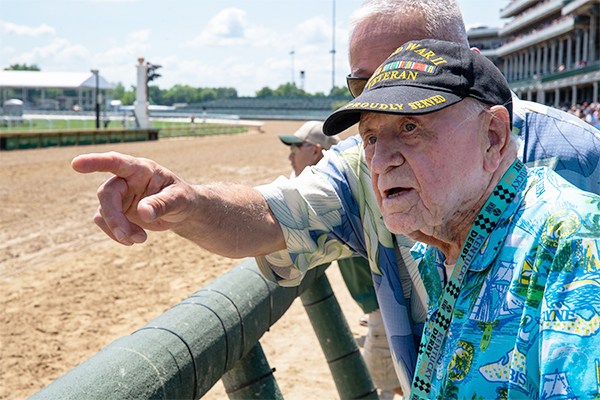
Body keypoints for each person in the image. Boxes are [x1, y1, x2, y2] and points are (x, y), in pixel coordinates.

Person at [72, 39, 600, 399]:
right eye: (371, 137)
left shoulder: (573, 246)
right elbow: (271, 214)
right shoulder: (442, 247)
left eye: (411, 129)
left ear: (493, 137)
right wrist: (186, 200)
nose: (380, 159)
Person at [278, 121, 400, 397]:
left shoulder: (336, 190)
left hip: (387, 305)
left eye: (297, 148)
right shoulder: (341, 181)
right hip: (383, 304)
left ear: (317, 151)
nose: (290, 155)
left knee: (384, 378)